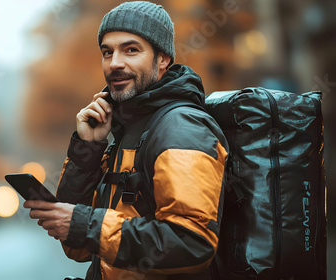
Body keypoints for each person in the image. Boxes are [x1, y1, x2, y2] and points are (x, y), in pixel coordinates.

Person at [23, 1, 228, 279]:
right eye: (107, 52)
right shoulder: (126, 128)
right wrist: (88, 149)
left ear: (163, 59)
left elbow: (191, 243)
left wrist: (86, 224)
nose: (115, 63)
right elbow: (79, 249)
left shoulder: (181, 127)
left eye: (131, 50)